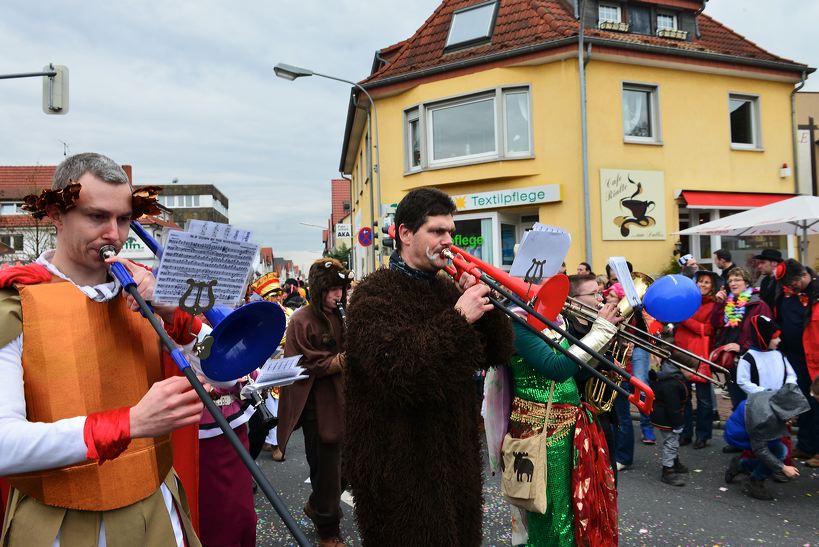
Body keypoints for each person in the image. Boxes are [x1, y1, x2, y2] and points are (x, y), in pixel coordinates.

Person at [0, 153, 203, 546]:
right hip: (60, 523)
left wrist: (177, 316)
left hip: (156, 513)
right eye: (97, 217)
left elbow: (224, 377)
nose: (114, 233)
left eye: (123, 219)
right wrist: (128, 424)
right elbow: (4, 445)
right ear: (57, 215)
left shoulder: (145, 292)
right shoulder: (16, 302)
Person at [344, 188, 513, 545]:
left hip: (455, 459)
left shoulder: (447, 289)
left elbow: (496, 352)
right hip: (400, 468)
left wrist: (488, 306)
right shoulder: (372, 296)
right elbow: (401, 373)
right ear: (405, 234)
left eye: (450, 231)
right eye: (437, 231)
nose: (448, 241)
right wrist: (458, 318)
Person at [507, 282, 620, 545]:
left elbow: (572, 369)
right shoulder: (516, 324)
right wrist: (600, 332)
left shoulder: (553, 320)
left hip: (569, 427)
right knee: (551, 513)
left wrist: (601, 360)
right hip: (541, 434)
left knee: (571, 508)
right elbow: (555, 367)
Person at [277, 258, 352, 547]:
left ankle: (316, 506)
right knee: (326, 469)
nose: (338, 295)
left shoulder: (342, 314)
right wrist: (341, 361)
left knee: (346, 467)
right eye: (332, 289)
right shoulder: (301, 319)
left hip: (343, 400)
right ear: (319, 289)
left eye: (341, 289)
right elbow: (305, 363)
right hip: (316, 406)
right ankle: (328, 532)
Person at [723, 383, 808, 500]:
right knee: (779, 452)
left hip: (744, 426)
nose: (797, 417)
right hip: (738, 434)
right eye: (795, 413)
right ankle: (754, 482)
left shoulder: (777, 398)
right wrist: (783, 467)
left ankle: (741, 465)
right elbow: (760, 450)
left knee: (778, 450)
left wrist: (785, 419)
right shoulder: (764, 419)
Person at [773, 259, 819, 468]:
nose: (790, 288)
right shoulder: (786, 294)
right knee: (804, 404)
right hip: (794, 358)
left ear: (803, 276)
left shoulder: (816, 293)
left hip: (815, 360)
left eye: (792, 284)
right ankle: (807, 445)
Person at [711, 267, 772, 410]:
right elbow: (716, 323)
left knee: (752, 402)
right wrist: (719, 303)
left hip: (751, 359)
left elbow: (766, 333)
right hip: (732, 360)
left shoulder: (758, 304)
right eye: (730, 280)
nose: (733, 283)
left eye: (737, 279)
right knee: (737, 402)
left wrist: (743, 347)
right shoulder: (728, 303)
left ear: (747, 283)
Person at [676, 270, 719, 449]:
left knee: (703, 399)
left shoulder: (715, 305)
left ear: (712, 287)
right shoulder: (687, 301)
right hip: (681, 351)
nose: (702, 284)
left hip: (700, 354)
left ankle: (703, 435)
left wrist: (686, 320)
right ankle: (686, 433)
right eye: (700, 281)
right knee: (683, 397)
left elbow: (709, 329)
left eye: (707, 282)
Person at [650, 355, 690, 487]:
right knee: (671, 442)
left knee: (673, 441)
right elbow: (673, 407)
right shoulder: (671, 383)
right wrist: (677, 424)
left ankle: (674, 461)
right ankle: (668, 469)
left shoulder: (672, 378)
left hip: (666, 416)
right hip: (667, 418)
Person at [736, 315, 796, 395]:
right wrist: (762, 392)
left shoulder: (779, 355)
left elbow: (791, 374)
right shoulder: (748, 358)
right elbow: (742, 381)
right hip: (760, 401)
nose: (779, 340)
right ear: (765, 338)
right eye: (775, 337)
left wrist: (788, 386)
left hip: (781, 400)